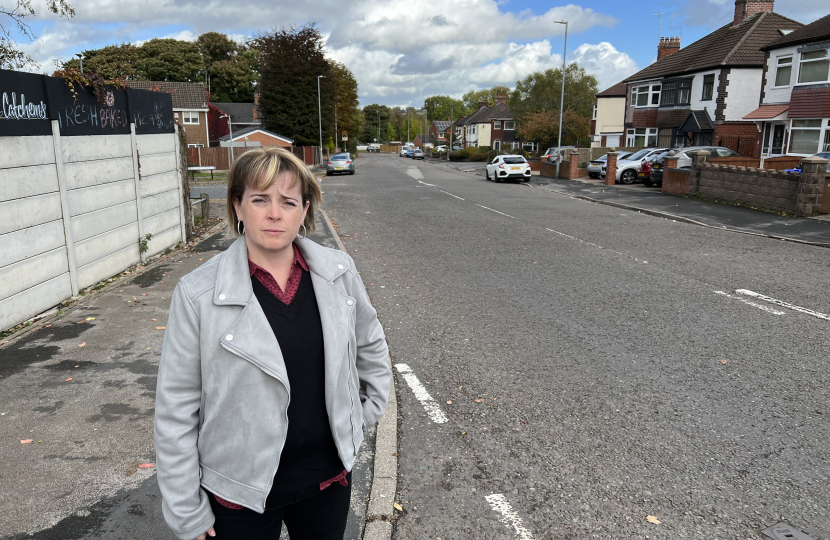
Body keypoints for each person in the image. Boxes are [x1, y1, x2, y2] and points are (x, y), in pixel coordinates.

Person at [155, 147, 391, 540]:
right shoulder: (197, 294)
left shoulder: (338, 273)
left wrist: (365, 413)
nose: (274, 213)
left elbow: (370, 343)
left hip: (327, 479)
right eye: (260, 199)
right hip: (239, 491)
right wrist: (185, 510)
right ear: (238, 206)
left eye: (288, 201)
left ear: (305, 208)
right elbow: (176, 407)